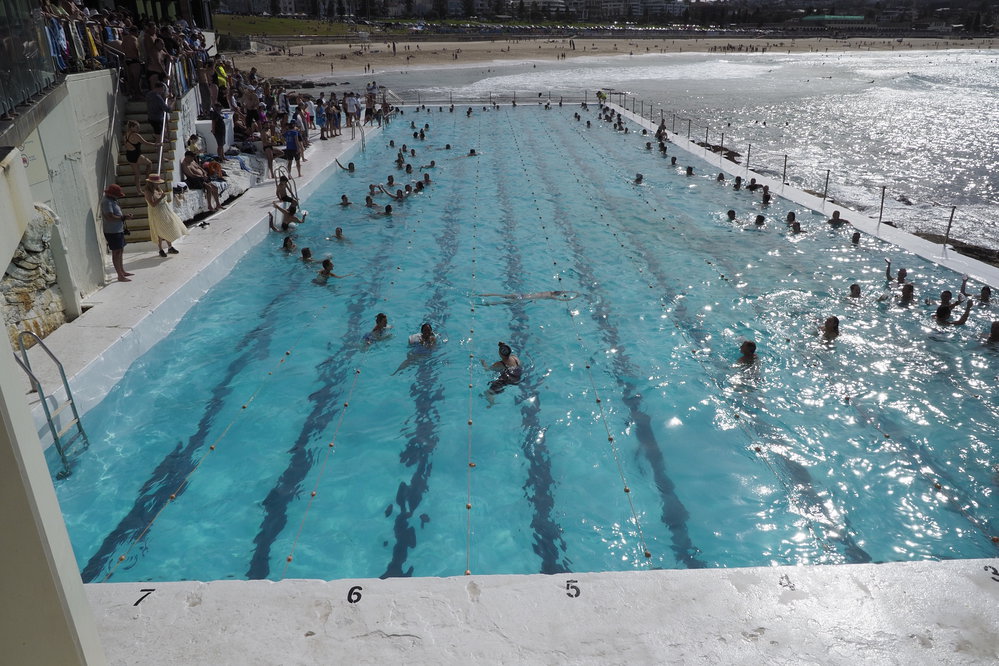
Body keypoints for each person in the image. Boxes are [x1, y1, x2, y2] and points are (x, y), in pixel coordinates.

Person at [142, 175, 187, 257]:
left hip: (164, 210)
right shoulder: (148, 192)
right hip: (156, 212)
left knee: (167, 228)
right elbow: (152, 204)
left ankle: (170, 247)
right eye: (156, 183)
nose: (158, 184)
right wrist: (161, 198)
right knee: (158, 230)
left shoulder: (158, 189)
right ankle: (160, 249)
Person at [101, 184, 133, 282]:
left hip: (118, 230)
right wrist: (123, 217)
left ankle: (122, 271)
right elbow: (109, 217)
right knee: (116, 252)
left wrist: (124, 216)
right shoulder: (107, 202)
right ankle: (120, 275)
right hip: (112, 231)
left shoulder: (113, 200)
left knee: (120, 250)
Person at [122, 120, 160, 194]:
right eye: (137, 128)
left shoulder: (126, 135)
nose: (138, 129)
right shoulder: (136, 135)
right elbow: (146, 143)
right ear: (132, 127)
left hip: (129, 155)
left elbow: (126, 146)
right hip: (136, 155)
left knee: (137, 174)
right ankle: (147, 183)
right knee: (149, 163)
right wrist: (157, 144)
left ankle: (139, 191)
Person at [482, 341, 522, 406]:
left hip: (508, 380)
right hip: (518, 377)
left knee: (488, 393)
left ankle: (492, 403)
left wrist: (483, 363)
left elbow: (487, 369)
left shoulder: (499, 364)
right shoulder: (515, 358)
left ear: (499, 354)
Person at [478, 290, 579, 304]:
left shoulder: (548, 292)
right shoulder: (551, 297)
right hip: (523, 299)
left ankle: (482, 295)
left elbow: (561, 292)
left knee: (501, 295)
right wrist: (574, 296)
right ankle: (487, 304)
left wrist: (572, 291)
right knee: (501, 303)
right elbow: (563, 299)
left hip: (521, 295)